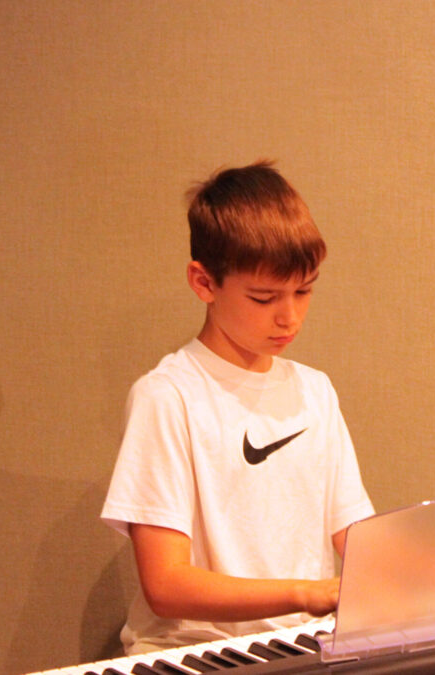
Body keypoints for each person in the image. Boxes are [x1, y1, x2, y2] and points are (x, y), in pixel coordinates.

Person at [101, 160, 375, 655]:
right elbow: (165, 585)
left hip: (306, 649)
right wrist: (303, 593)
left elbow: (359, 543)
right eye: (264, 296)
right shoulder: (169, 395)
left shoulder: (315, 391)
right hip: (195, 654)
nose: (289, 316)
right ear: (204, 283)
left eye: (304, 290)